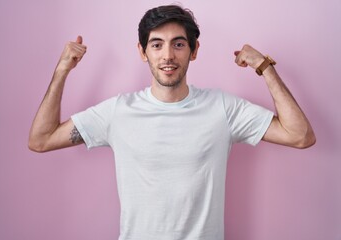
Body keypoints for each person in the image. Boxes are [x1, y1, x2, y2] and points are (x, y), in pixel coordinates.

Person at [28, 4, 316, 240]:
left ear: (194, 50)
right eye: (157, 45)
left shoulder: (223, 108)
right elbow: (41, 140)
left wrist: (264, 67)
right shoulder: (118, 111)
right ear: (143, 52)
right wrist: (62, 70)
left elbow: (299, 135)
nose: (168, 55)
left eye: (178, 44)